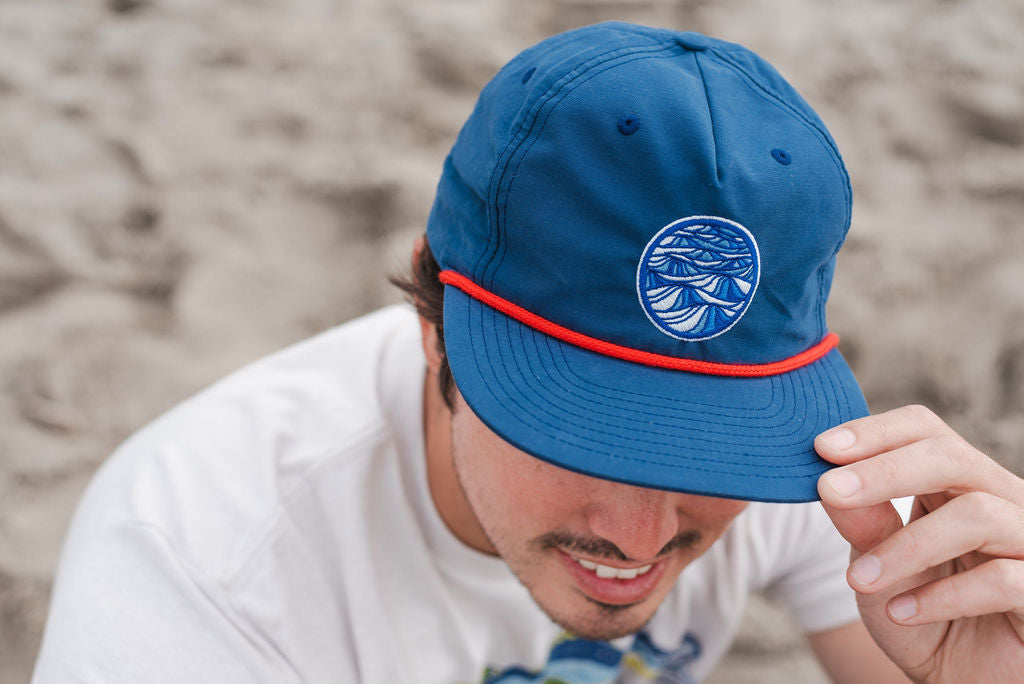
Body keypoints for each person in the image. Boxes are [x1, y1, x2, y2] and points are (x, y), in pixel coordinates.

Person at [32, 22, 1024, 684]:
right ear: (434, 324)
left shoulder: (798, 464)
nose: (640, 533)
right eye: (588, 434)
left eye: (704, 445)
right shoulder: (192, 576)